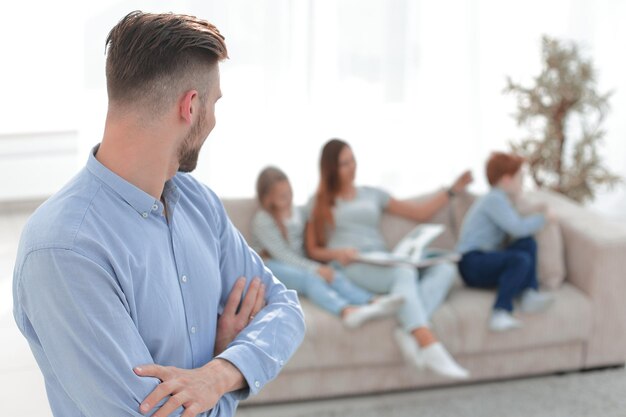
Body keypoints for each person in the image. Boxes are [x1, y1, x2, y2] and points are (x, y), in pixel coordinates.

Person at [12, 11, 305, 417]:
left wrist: (218, 373)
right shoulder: (65, 249)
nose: (215, 119)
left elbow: (285, 310)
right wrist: (232, 373)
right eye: (215, 103)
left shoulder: (199, 204)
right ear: (191, 105)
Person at [305, 138, 472, 379]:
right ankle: (428, 343)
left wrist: (452, 190)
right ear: (331, 169)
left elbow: (419, 213)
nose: (352, 167)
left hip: (384, 259)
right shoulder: (318, 202)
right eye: (344, 163)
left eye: (353, 160)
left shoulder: (373, 194)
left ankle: (408, 328)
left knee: (445, 268)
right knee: (404, 272)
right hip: (352, 264)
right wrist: (337, 253)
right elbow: (312, 249)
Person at [252, 166, 404, 328]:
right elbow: (283, 256)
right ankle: (346, 310)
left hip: (296, 265)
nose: (288, 200)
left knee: (332, 273)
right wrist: (315, 268)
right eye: (282, 197)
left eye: (289, 193)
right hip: (271, 267)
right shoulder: (263, 220)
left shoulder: (298, 213)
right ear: (268, 199)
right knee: (311, 278)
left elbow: (316, 210)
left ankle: (372, 301)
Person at [456, 152, 554, 332]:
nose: (523, 182)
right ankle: (500, 312)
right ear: (507, 179)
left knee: (527, 243)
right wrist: (543, 219)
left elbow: (520, 232)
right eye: (520, 177)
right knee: (519, 259)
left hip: (484, 258)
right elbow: (517, 227)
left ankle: (528, 294)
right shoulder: (494, 199)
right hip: (471, 263)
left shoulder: (502, 199)